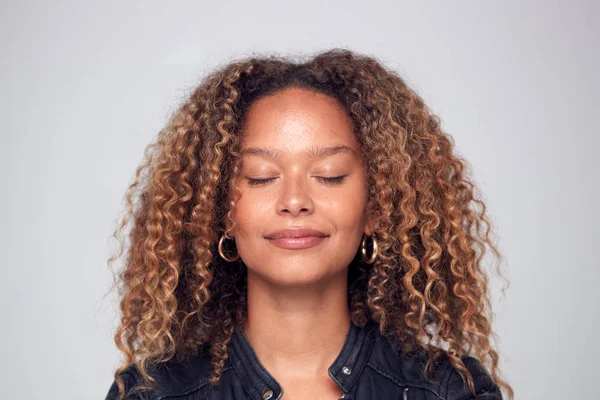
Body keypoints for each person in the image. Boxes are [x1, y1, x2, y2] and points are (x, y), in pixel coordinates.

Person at [104, 48, 513, 400]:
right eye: (261, 177)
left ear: (376, 207)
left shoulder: (447, 391)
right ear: (220, 211)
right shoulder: (154, 394)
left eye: (330, 175)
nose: (295, 201)